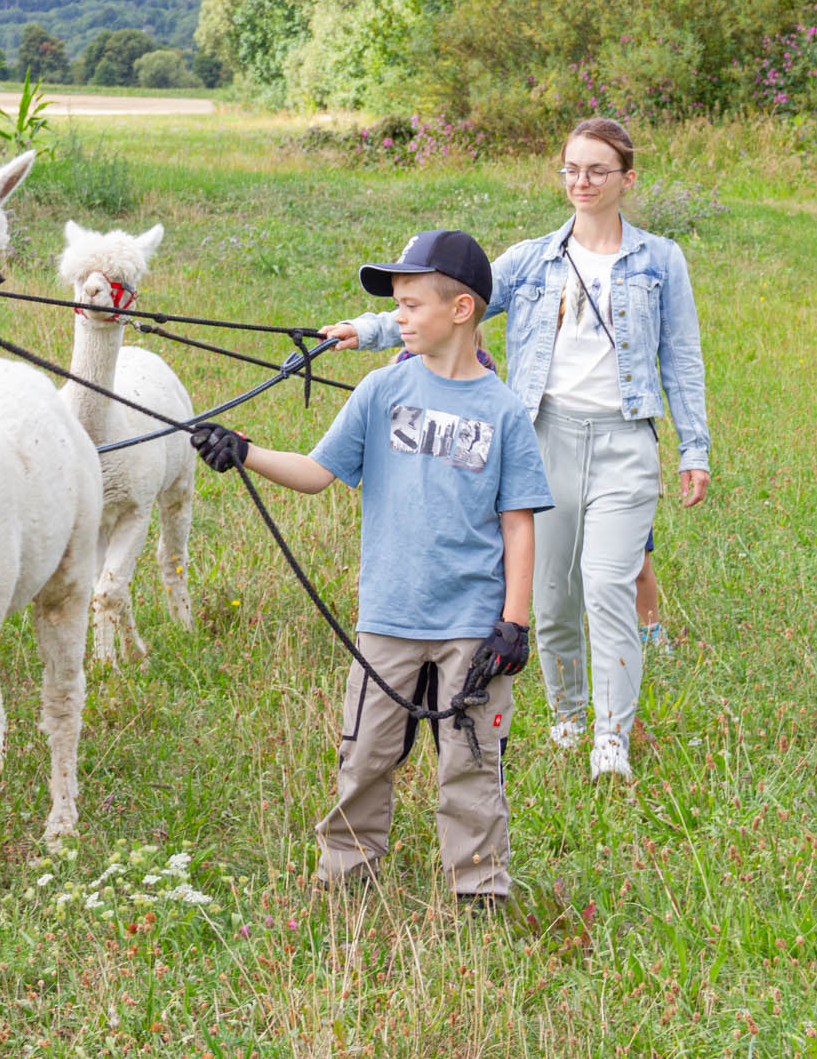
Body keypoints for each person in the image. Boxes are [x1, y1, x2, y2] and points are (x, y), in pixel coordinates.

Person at [326, 118, 710, 781]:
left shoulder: (660, 260)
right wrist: (366, 330)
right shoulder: (532, 259)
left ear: (627, 179)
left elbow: (681, 356)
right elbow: (449, 302)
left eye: (597, 170)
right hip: (544, 435)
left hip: (625, 440)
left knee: (607, 583)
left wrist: (693, 447)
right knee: (553, 593)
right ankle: (567, 714)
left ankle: (611, 738)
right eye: (571, 169)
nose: (582, 181)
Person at [189, 229, 552, 902]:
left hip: (473, 624)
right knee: (364, 754)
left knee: (472, 762)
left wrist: (514, 624)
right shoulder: (381, 391)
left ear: (462, 309)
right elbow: (316, 472)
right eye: (397, 306)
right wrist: (245, 450)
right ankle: (347, 872)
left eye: (411, 305)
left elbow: (518, 521)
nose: (399, 318)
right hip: (388, 616)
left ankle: (478, 887)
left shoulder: (503, 411)